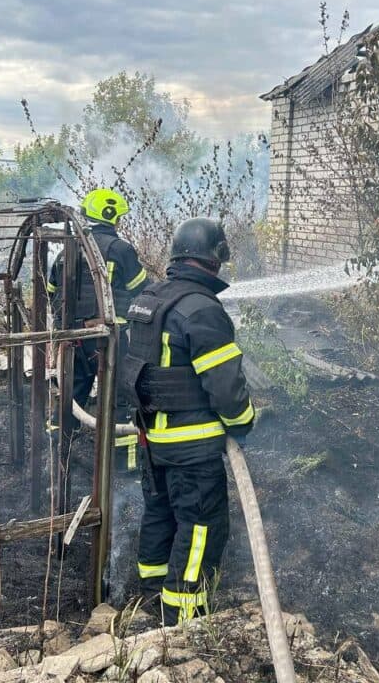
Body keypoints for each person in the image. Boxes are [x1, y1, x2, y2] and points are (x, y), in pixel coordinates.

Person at [120, 217, 254, 625]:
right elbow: (226, 389)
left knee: (160, 513)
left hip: (151, 439)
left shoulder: (149, 298)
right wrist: (243, 423)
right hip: (192, 448)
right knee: (201, 526)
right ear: (215, 258)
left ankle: (149, 595)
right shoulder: (202, 310)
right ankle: (182, 614)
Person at [48, 188, 149, 413]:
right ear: (111, 217)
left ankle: (56, 444)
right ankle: (121, 446)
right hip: (109, 338)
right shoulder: (120, 250)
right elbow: (143, 291)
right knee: (120, 399)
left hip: (73, 338)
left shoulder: (67, 251)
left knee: (70, 401)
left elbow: (50, 292)